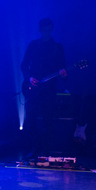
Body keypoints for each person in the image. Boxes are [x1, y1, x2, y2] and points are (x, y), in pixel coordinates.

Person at [20, 18, 67, 156]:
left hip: (49, 89)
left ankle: (46, 151)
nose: (47, 33)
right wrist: (29, 78)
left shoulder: (58, 47)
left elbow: (63, 70)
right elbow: (24, 65)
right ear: (40, 30)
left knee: (48, 121)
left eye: (50, 31)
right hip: (33, 88)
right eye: (45, 31)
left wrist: (63, 75)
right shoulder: (33, 45)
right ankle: (35, 148)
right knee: (30, 119)